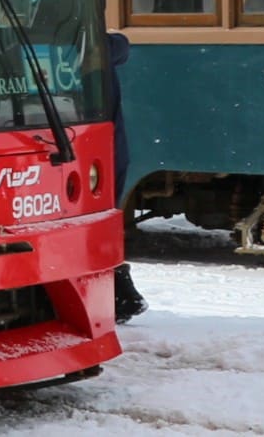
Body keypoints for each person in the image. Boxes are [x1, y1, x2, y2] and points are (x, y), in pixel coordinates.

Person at [107, 30, 148, 322]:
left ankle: (120, 293)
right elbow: (120, 45)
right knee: (106, 220)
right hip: (107, 148)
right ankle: (120, 293)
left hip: (97, 147)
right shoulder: (97, 47)